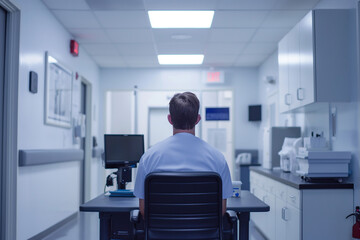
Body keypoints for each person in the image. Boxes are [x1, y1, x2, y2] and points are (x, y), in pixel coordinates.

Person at [133, 92, 233, 216]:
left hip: (161, 233)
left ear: (170, 119)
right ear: (198, 119)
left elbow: (143, 210)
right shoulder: (218, 159)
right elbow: (222, 210)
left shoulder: (148, 158)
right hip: (204, 233)